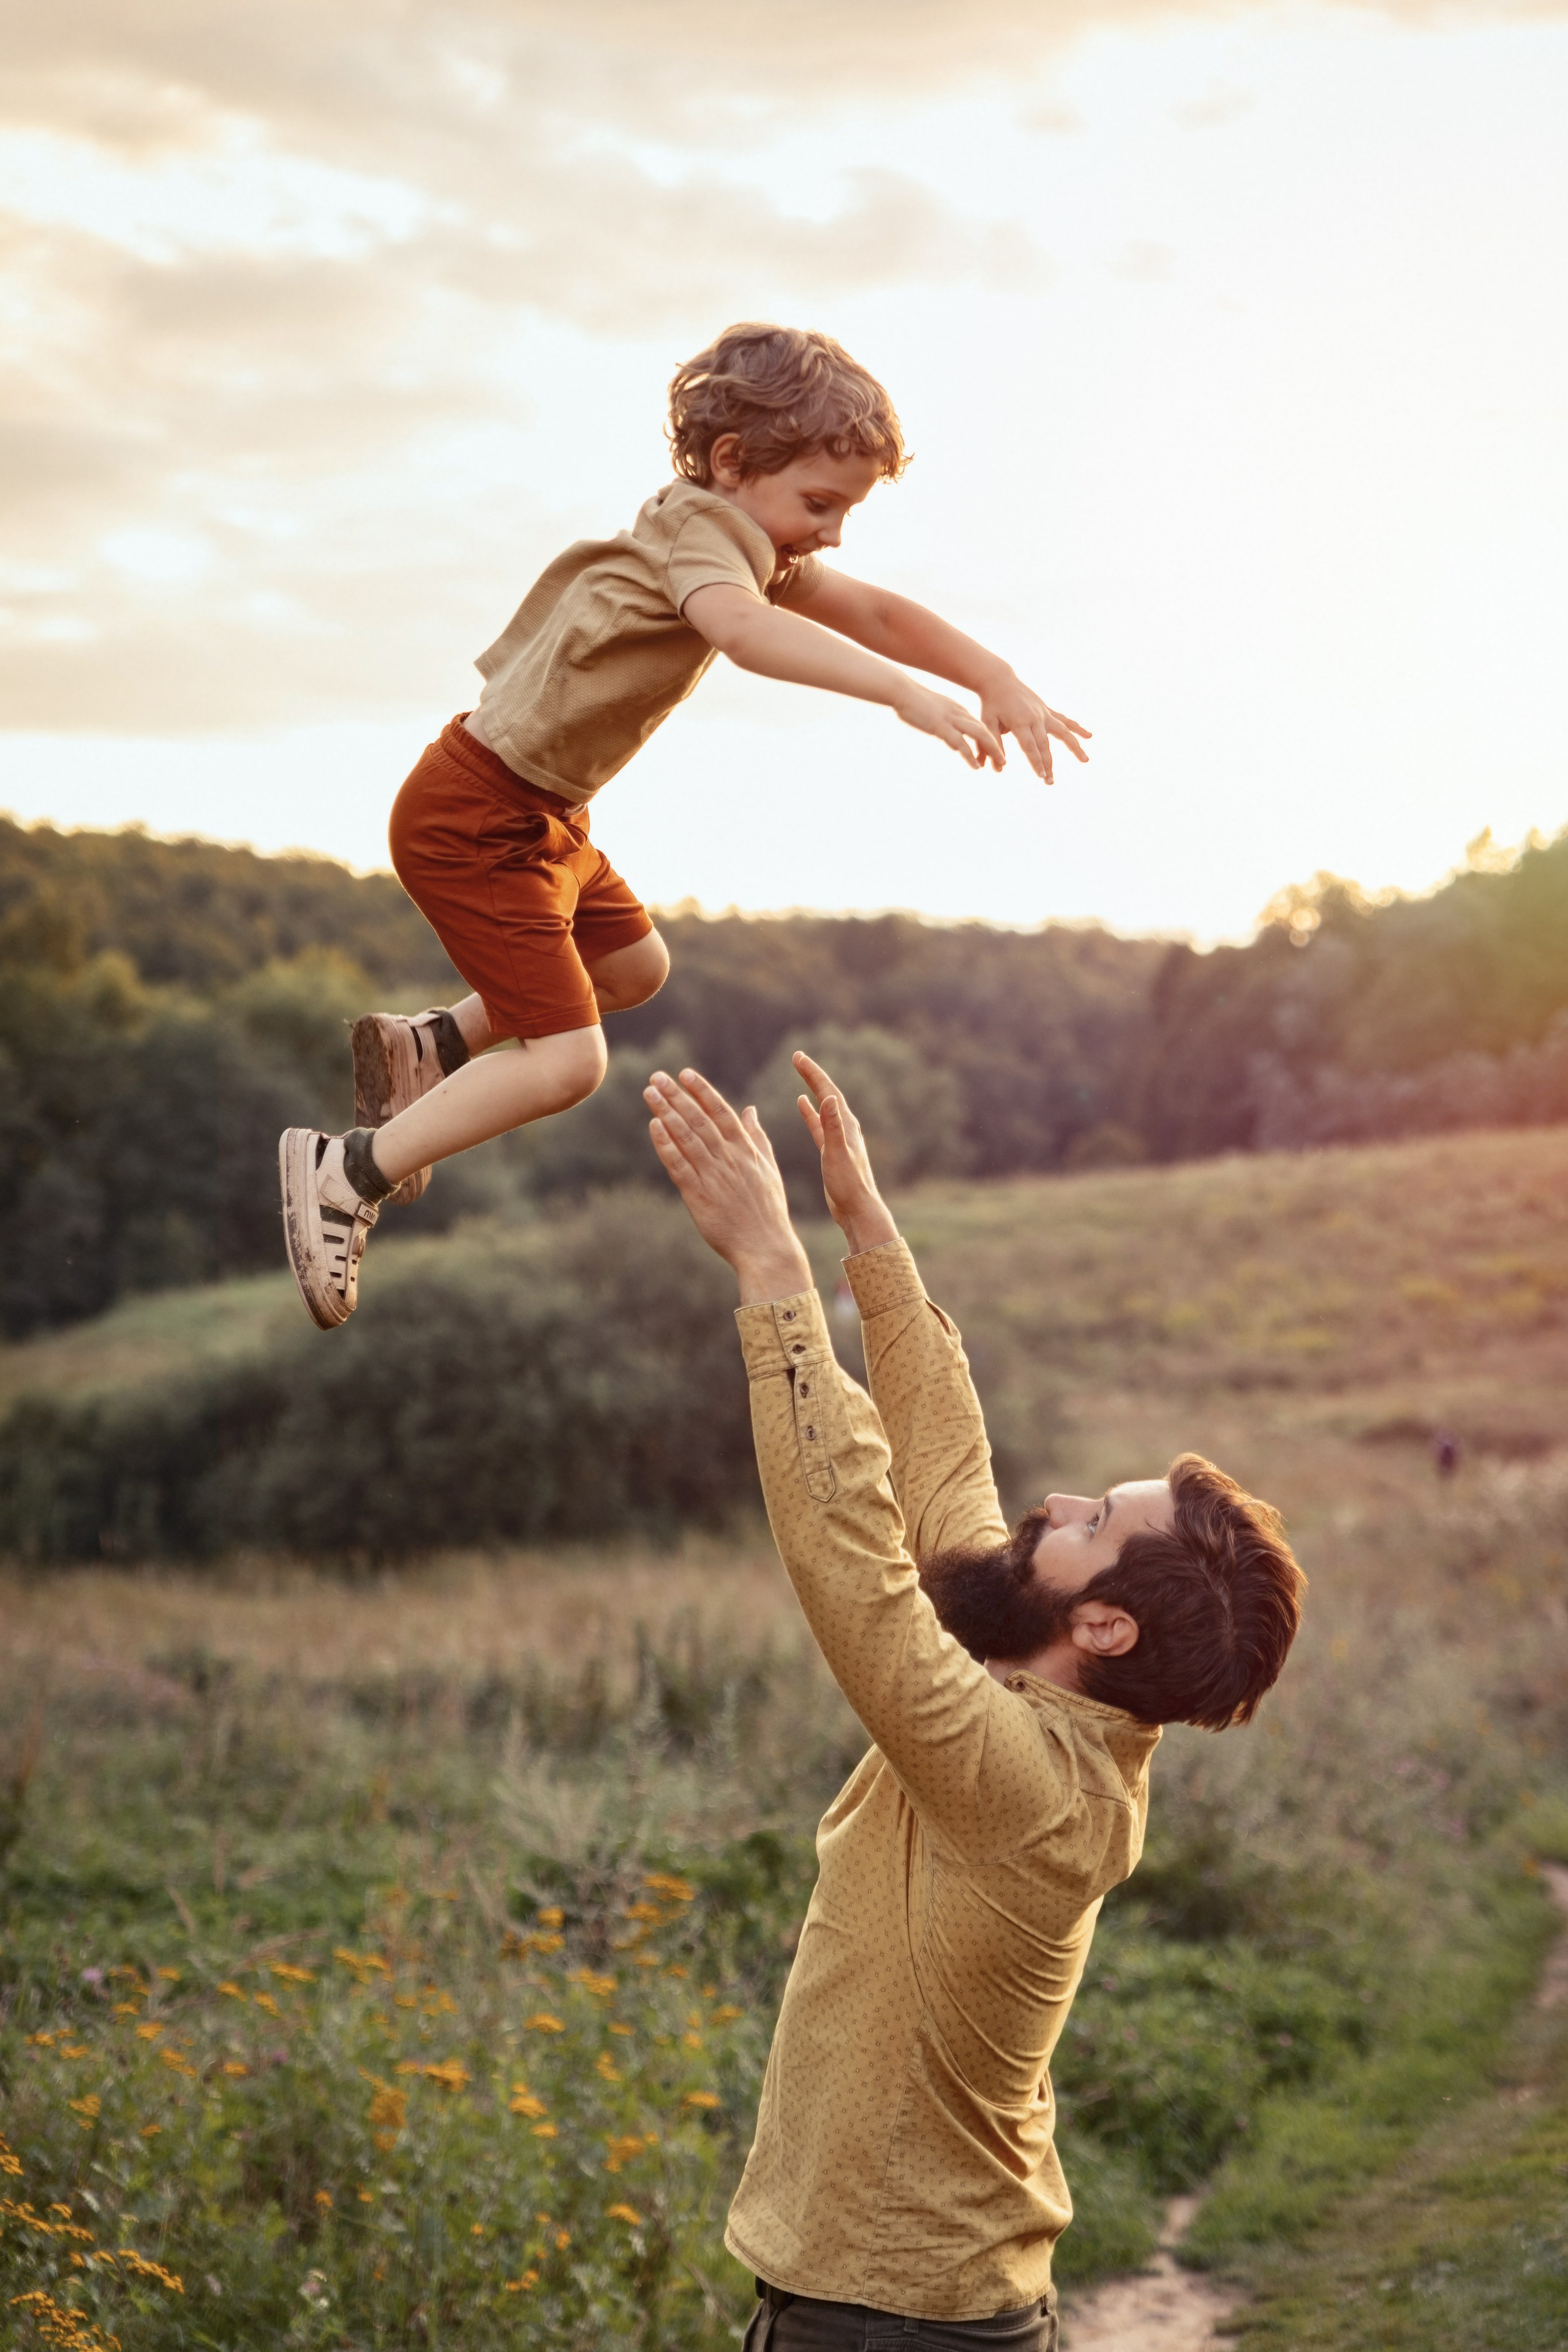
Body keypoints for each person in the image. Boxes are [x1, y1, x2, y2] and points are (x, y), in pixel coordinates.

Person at [642, 1051, 1305, 2351]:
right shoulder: (1040, 1687)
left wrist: (772, 1272)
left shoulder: (1037, 1793)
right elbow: (945, 1478)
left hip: (892, 2326)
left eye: (1092, 1520)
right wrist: (866, 1232)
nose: (1053, 1505)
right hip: (896, 2313)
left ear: (1102, 1626)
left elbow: (862, 1582)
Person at [278, 322, 1090, 1328]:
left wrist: (994, 675)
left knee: (632, 970)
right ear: (732, 462)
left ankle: (434, 1044)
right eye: (821, 504)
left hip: (545, 817)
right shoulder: (704, 536)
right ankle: (345, 1173)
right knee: (569, 1062)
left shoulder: (746, 538)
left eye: (846, 511)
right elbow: (743, 634)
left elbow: (877, 613)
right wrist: (899, 695)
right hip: (477, 816)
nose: (833, 533)